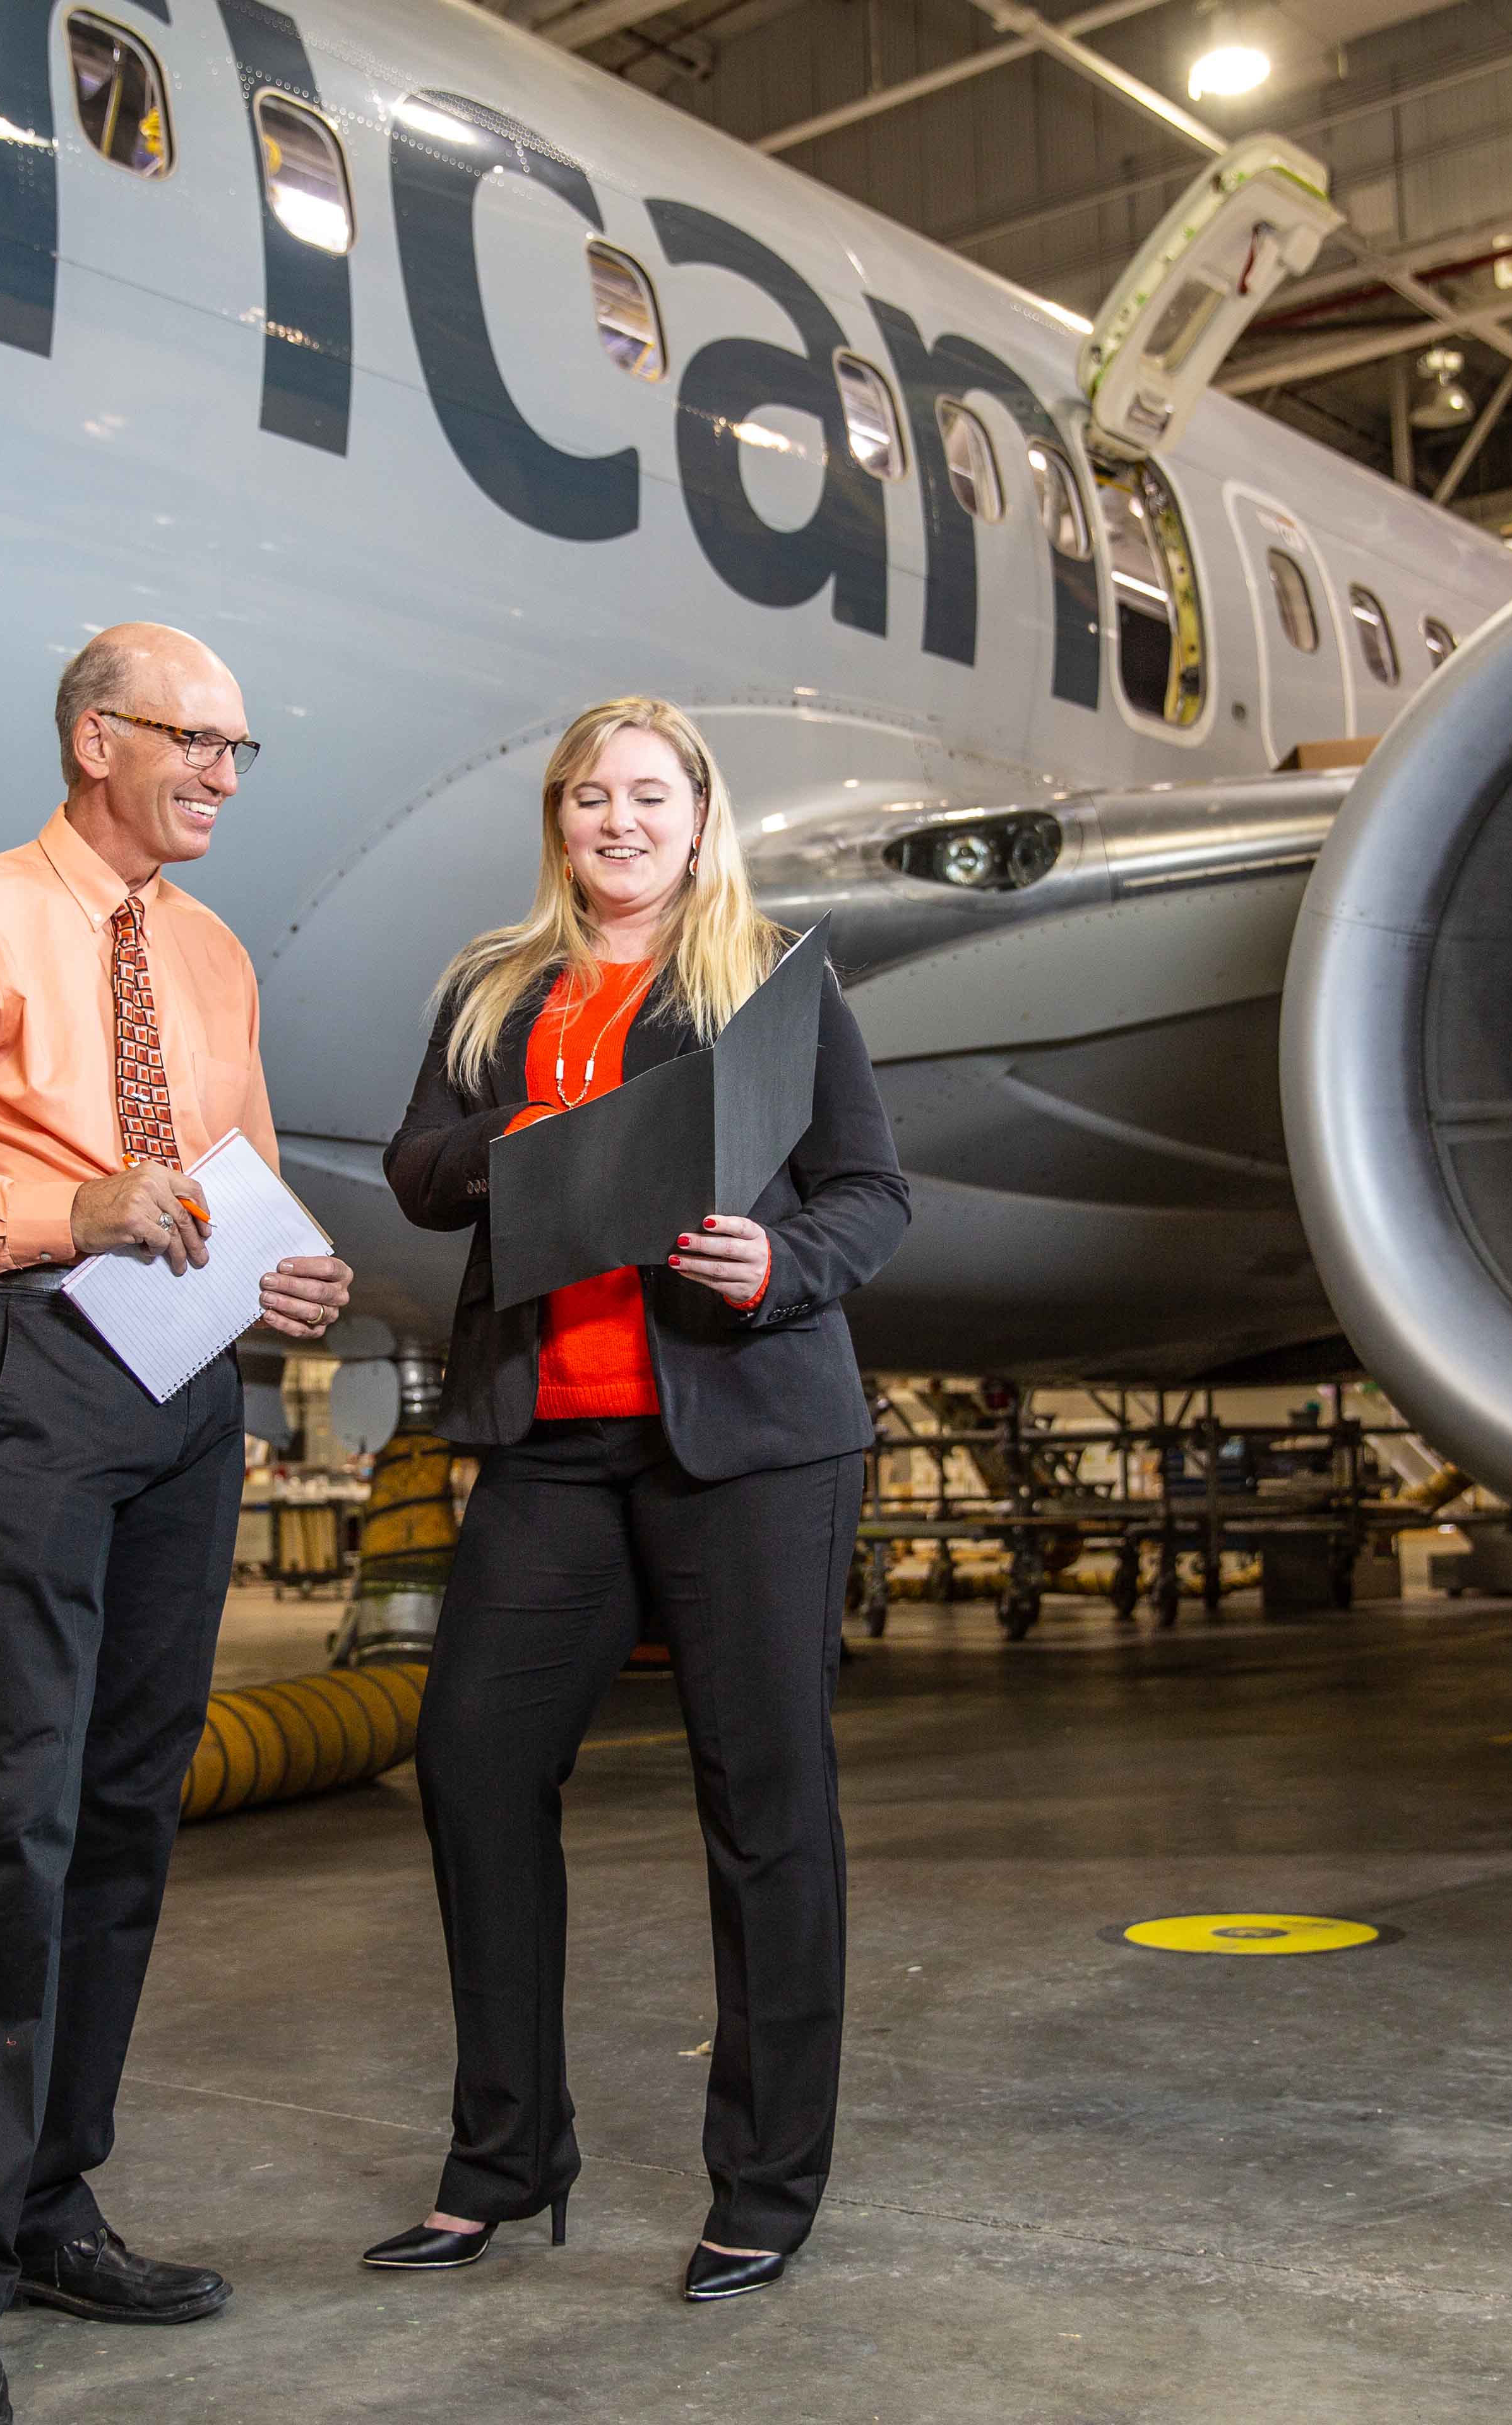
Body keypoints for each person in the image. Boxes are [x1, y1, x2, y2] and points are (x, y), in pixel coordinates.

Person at [0, 623, 352, 2425]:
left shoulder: (209, 956)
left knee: (129, 1805)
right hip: (35, 1363)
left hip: (191, 1391)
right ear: (93, 736)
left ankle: (55, 2199)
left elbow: (231, 1180)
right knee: (12, 1819)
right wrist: (75, 1206)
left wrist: (286, 1277)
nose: (218, 771)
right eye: (193, 738)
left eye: (238, 748)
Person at [370, 697, 908, 2304]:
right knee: (472, 1765)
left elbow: (874, 1192)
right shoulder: (495, 986)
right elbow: (416, 1163)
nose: (619, 819)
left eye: (649, 795)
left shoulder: (770, 983)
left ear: (699, 815)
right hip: (555, 1433)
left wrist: (781, 1261)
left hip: (747, 1438)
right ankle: (507, 2159)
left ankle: (763, 2184)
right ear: (562, 820)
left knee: (766, 1806)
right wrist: (514, 1144)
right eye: (591, 795)